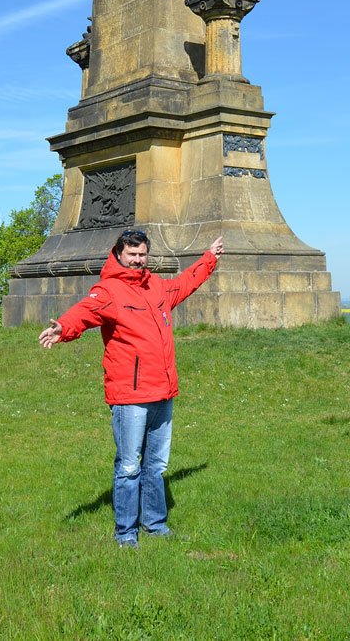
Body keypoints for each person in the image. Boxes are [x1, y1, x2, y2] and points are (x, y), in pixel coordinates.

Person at [39, 228, 224, 547]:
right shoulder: (108, 290)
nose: (138, 260)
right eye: (132, 255)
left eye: (142, 255)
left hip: (162, 393)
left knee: (157, 466)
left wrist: (209, 259)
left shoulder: (156, 287)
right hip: (130, 396)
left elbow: (184, 283)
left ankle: (155, 524)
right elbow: (84, 312)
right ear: (119, 254)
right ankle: (126, 533)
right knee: (128, 465)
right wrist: (62, 328)